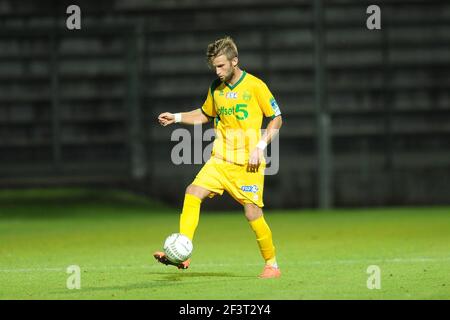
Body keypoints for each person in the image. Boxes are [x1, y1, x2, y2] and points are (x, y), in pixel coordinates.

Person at [154, 36, 283, 278]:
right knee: (192, 192)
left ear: (235, 61)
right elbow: (205, 114)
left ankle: (272, 265)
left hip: (248, 164)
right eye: (215, 66)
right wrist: (177, 117)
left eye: (222, 65)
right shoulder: (216, 87)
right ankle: (183, 251)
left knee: (252, 212)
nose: (218, 70)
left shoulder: (255, 86)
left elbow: (277, 118)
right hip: (220, 159)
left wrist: (261, 145)